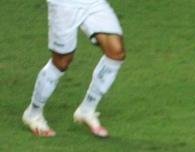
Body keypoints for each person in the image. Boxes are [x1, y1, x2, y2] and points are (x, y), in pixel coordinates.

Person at [22, 0, 127, 138]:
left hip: (93, 3)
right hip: (64, 5)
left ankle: (86, 110)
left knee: (116, 52)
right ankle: (33, 113)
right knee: (62, 61)